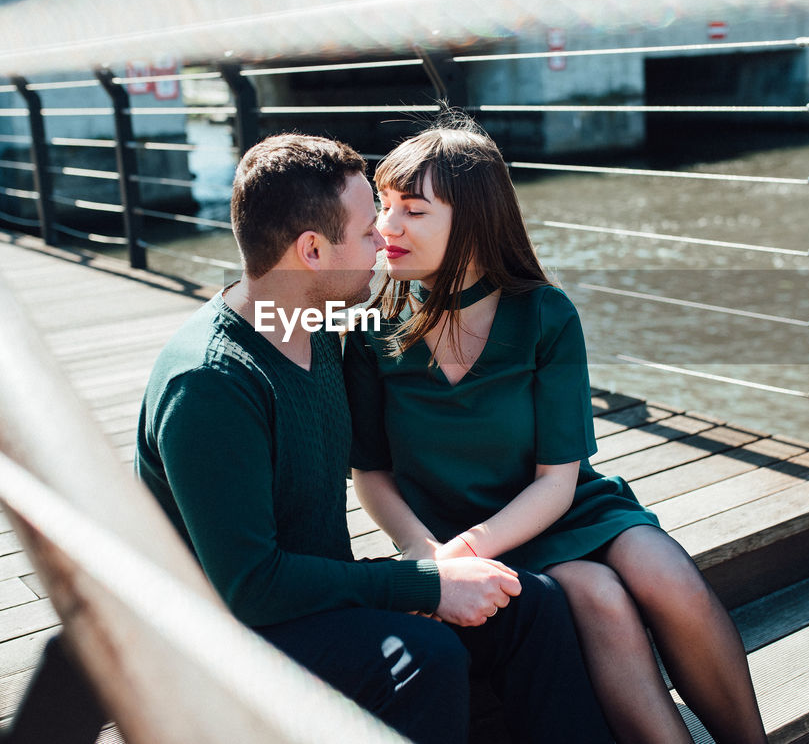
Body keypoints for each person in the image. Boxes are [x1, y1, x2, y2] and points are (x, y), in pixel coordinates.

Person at [134, 133, 614, 744]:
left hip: (312, 597)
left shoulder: (320, 330)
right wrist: (424, 584)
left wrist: (437, 560)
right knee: (427, 657)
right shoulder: (211, 384)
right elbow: (252, 587)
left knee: (534, 604)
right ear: (312, 250)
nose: (385, 244)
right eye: (368, 231)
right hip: (223, 636)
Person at [345, 119, 768, 744]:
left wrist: (460, 555)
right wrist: (425, 554)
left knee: (667, 577)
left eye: (412, 209)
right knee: (598, 596)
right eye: (384, 206)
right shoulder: (370, 330)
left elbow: (558, 482)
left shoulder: (545, 315)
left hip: (559, 507)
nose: (387, 227)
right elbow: (370, 473)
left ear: (476, 221)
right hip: (449, 530)